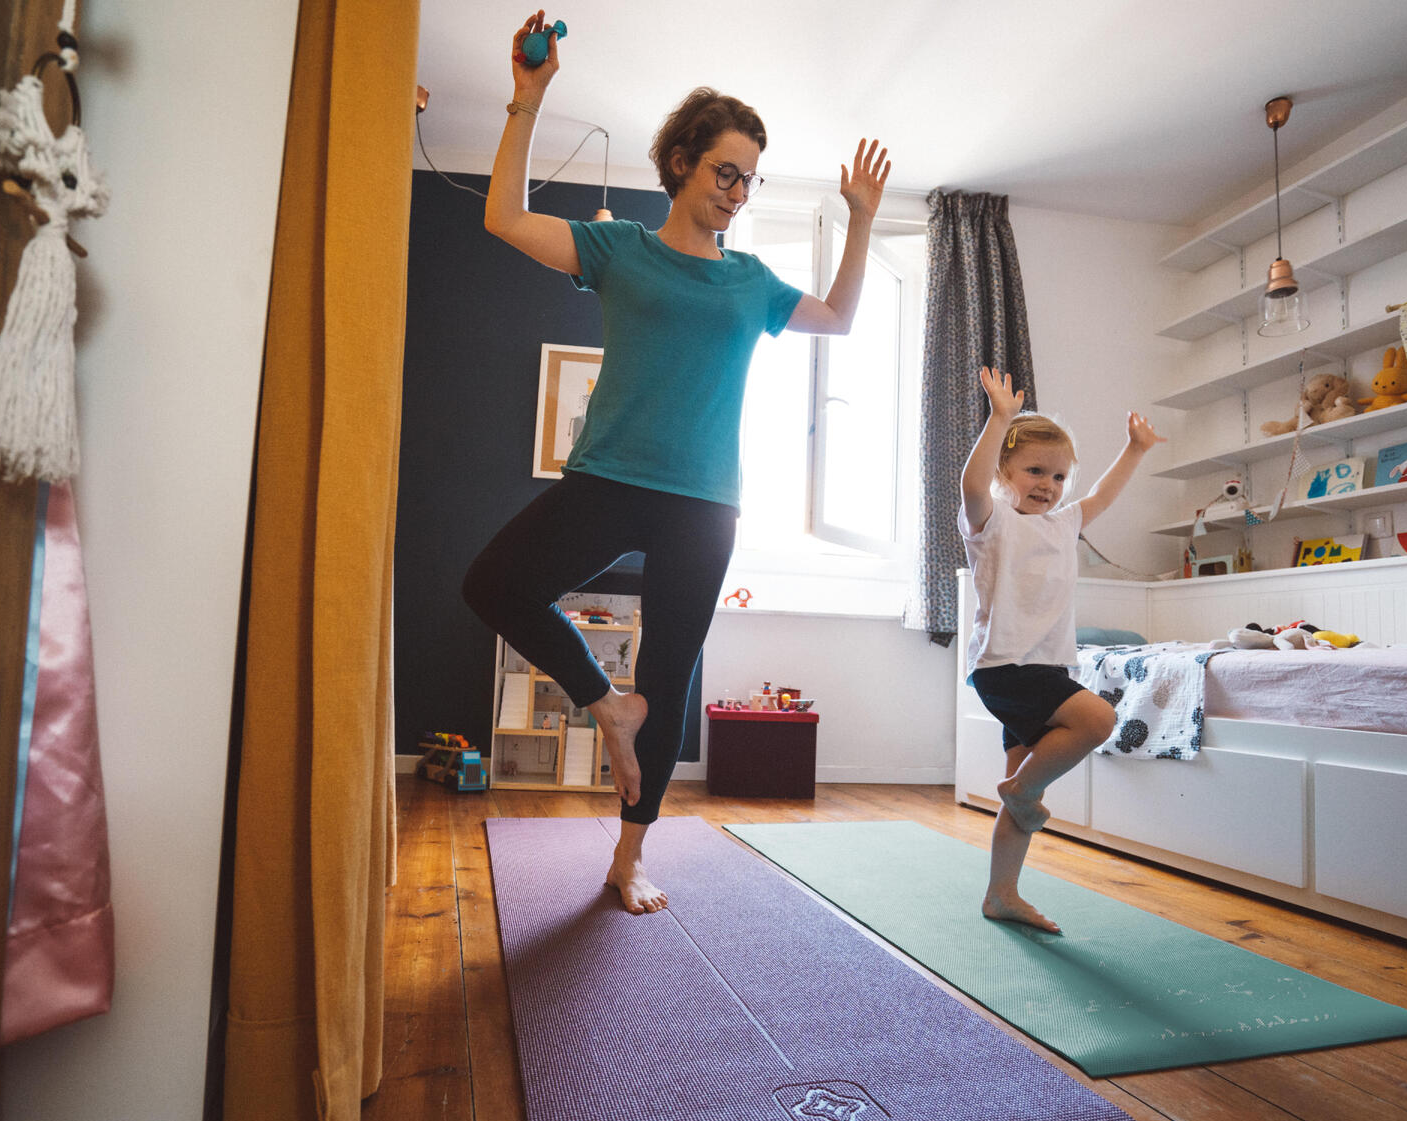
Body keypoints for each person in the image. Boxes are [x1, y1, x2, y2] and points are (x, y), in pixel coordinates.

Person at [463, 11, 891, 915]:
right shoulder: (618, 251)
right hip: (609, 477)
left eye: (750, 178)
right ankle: (599, 701)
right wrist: (527, 100)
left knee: (669, 675)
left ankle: (628, 859)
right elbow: (502, 216)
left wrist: (859, 224)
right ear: (681, 164)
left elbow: (842, 320)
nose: (739, 191)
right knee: (495, 585)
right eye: (726, 171)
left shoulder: (753, 283)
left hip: (706, 503)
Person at [958, 366, 1164, 933]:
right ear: (1006, 470)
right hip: (1005, 666)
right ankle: (1022, 789)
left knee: (1021, 799)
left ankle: (1002, 892)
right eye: (1033, 471)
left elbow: (1103, 493)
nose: (1047, 484)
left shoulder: (1065, 522)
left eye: (1057, 475)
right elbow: (972, 487)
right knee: (1098, 718)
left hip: (1041, 666)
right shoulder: (992, 520)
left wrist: (1135, 448)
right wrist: (1000, 418)